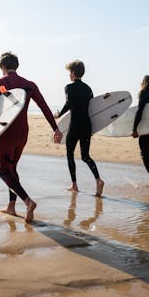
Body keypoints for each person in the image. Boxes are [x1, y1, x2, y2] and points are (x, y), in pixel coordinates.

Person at [0, 52, 62, 222]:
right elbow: (45, 107)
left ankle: (28, 201)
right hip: (23, 132)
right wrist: (56, 129)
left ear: (2, 66)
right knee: (12, 169)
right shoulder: (29, 85)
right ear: (16, 66)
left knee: (4, 172)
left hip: (7, 132)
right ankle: (11, 207)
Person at [54, 60, 104, 197]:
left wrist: (59, 114)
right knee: (85, 156)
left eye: (70, 72)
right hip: (87, 125)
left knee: (70, 153)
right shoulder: (88, 89)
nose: (69, 75)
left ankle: (74, 184)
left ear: (73, 73)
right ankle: (98, 180)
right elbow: (94, 108)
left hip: (75, 125)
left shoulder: (69, 87)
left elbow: (69, 103)